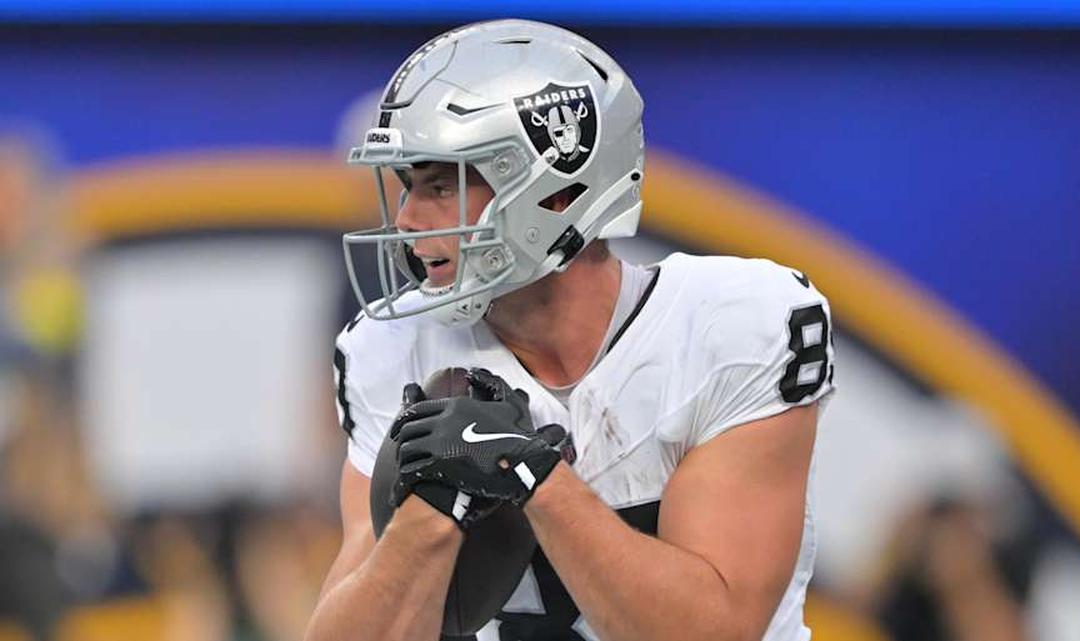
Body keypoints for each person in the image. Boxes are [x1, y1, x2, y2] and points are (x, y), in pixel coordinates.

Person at [304, 19, 835, 641]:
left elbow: (711, 630)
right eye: (408, 188)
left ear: (557, 195)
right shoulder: (393, 348)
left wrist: (533, 476)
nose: (408, 219)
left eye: (442, 186)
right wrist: (430, 512)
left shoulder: (731, 327)